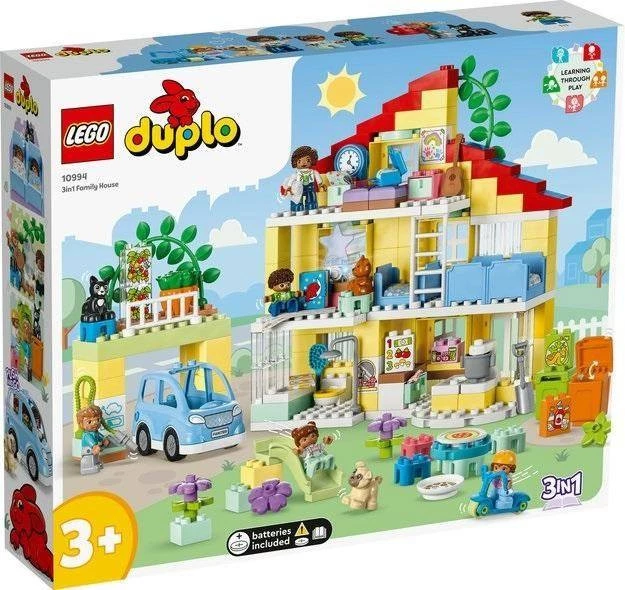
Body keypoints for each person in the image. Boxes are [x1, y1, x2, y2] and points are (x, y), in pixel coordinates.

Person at [281, 146, 325, 211]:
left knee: (311, 200)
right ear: (295, 162)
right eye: (299, 161)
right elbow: (291, 180)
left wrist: (320, 184)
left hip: (310, 188)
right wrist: (289, 187)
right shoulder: (296, 174)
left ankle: (311, 207)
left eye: (308, 160)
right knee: (298, 201)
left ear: (312, 160)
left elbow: (318, 178)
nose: (303, 163)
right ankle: (297, 208)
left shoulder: (313, 172)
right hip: (299, 189)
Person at [77, 405, 110, 475]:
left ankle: (96, 463)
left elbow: (99, 436)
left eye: (97, 420)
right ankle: (88, 468)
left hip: (94, 450)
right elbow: (90, 441)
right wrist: (94, 446)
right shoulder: (86, 435)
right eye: (89, 422)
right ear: (81, 424)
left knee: (95, 457)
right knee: (89, 459)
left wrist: (104, 439)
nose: (95, 423)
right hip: (87, 451)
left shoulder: (95, 432)